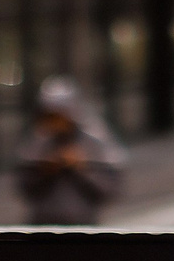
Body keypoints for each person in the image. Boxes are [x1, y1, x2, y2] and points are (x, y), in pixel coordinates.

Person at [16, 78, 126, 225]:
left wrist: (82, 168)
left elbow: (110, 190)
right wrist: (45, 170)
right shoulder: (38, 140)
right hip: (42, 228)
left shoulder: (93, 140)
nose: (54, 123)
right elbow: (24, 187)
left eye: (58, 116)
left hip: (82, 228)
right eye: (49, 116)